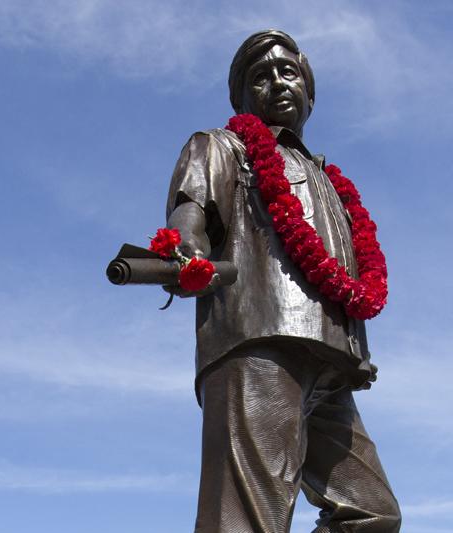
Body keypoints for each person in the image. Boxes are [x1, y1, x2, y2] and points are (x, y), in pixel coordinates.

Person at [165, 30, 401, 533]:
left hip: (330, 360)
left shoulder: (330, 180)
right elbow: (191, 215)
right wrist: (188, 252)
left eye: (288, 72)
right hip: (259, 340)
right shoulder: (223, 147)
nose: (277, 82)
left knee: (374, 515)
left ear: (310, 92)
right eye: (260, 77)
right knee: (247, 518)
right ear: (243, 96)